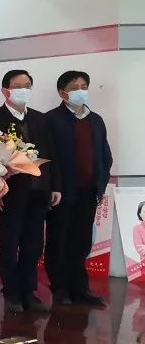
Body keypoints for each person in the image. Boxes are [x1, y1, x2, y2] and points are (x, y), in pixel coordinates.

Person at [0, 70, 60, 314]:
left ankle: (28, 291)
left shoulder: (41, 119)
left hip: (38, 192)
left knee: (33, 245)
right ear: (6, 90)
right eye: (18, 86)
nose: (24, 90)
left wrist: (55, 186)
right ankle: (11, 291)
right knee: (10, 243)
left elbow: (52, 154)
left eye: (28, 85)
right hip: (10, 194)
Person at [45, 70, 112, 306]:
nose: (80, 91)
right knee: (59, 240)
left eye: (84, 86)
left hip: (89, 191)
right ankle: (60, 288)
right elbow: (48, 157)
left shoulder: (96, 120)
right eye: (75, 88)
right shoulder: (51, 119)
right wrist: (54, 187)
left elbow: (105, 156)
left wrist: (100, 185)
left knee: (82, 241)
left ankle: (80, 288)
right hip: (62, 192)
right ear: (62, 92)